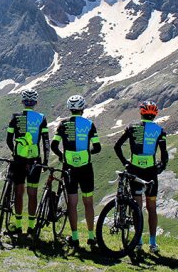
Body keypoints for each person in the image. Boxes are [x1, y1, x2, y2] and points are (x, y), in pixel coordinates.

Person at [113, 101, 169, 253]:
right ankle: (153, 243)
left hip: (134, 171)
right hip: (151, 172)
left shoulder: (132, 128)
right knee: (152, 208)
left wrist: (126, 163)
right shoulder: (160, 130)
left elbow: (117, 146)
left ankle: (138, 241)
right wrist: (161, 167)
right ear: (154, 114)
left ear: (141, 113)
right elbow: (164, 155)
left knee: (137, 207)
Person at [51, 95, 101, 248]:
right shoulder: (89, 124)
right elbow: (98, 147)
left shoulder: (63, 124)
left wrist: (61, 156)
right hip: (86, 167)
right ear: (83, 108)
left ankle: (75, 237)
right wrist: (86, 152)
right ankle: (91, 237)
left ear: (69, 108)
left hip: (69, 167)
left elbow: (54, 145)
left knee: (72, 203)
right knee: (88, 202)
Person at [5, 89, 50, 235]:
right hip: (35, 161)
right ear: (35, 103)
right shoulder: (41, 118)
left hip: (19, 159)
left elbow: (8, 139)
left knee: (19, 192)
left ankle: (18, 225)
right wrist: (45, 161)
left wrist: (14, 151)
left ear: (22, 102)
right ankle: (31, 226)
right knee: (32, 193)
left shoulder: (15, 117)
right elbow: (46, 142)